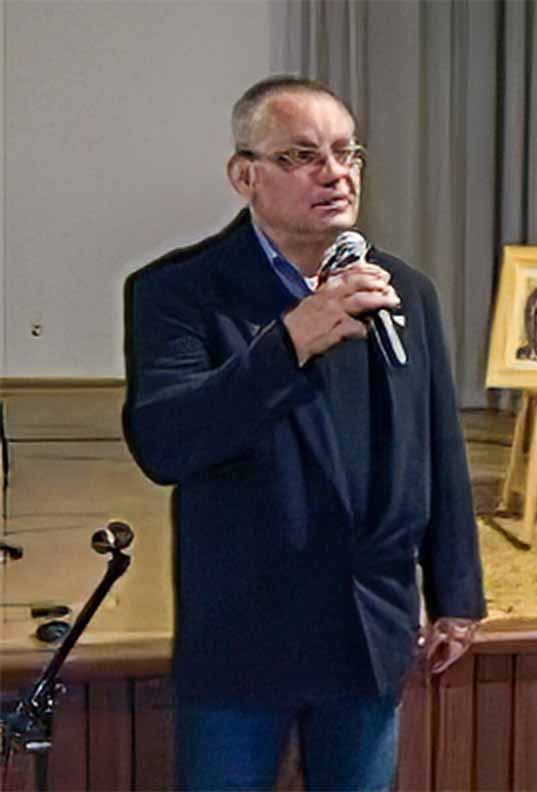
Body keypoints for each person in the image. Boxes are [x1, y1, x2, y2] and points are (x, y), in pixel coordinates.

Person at [122, 75, 485, 790]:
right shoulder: (177, 292)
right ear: (245, 176)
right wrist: (289, 342)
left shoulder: (403, 291)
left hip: (370, 625)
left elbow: (438, 448)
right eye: (302, 156)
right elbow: (166, 443)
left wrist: (456, 594)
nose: (335, 173)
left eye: (347, 153)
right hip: (245, 632)